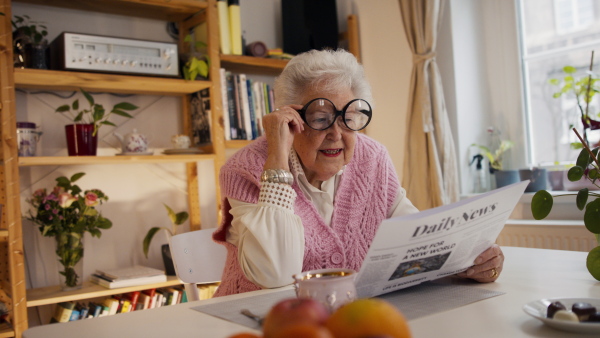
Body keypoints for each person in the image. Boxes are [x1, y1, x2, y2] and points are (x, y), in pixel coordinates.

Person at [212, 49, 504, 297]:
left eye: (348, 118)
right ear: (290, 119)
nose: (336, 134)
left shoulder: (372, 157)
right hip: (257, 322)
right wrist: (276, 158)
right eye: (320, 119)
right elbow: (277, 273)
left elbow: (415, 239)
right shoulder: (246, 169)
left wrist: (467, 260)